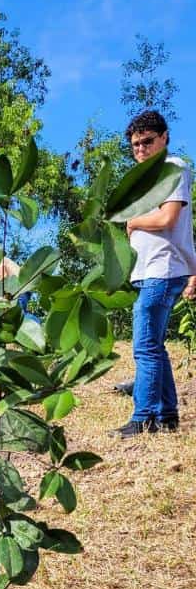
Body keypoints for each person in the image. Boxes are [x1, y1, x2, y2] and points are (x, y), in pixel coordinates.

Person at [110, 109, 196, 438]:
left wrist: (132, 222)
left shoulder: (173, 168)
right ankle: (168, 414)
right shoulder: (147, 179)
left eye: (147, 142)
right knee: (155, 346)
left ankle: (143, 418)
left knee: (144, 346)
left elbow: (167, 219)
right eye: (135, 145)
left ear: (164, 138)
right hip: (151, 270)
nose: (141, 149)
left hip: (164, 268)